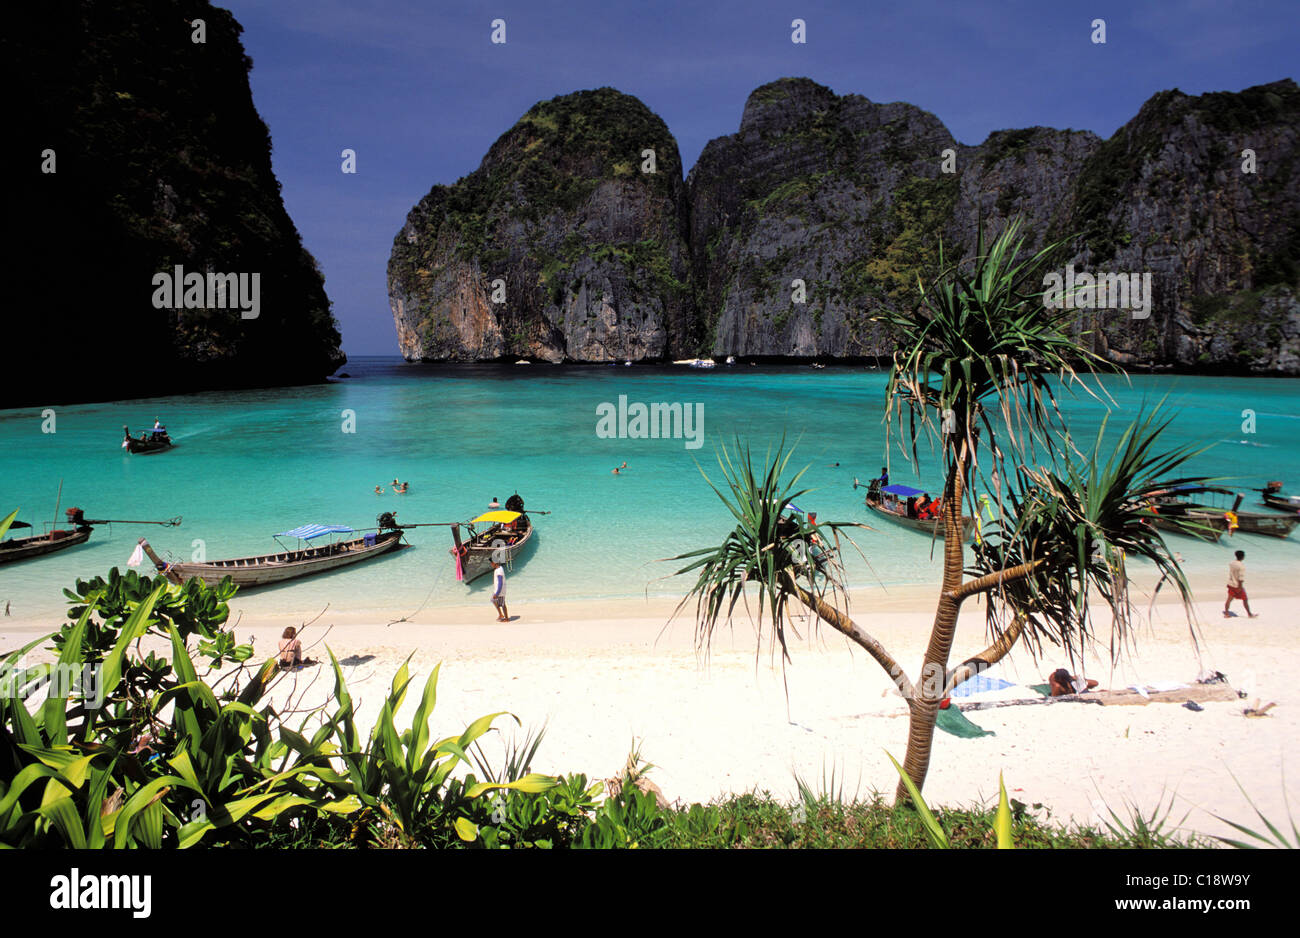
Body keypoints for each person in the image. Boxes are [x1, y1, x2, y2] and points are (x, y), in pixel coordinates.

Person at [1224, 550, 1257, 618]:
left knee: (1229, 599)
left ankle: (1226, 614)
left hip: (1230, 584)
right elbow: (1240, 579)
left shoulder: (1231, 563)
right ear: (1242, 557)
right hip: (1237, 585)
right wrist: (1240, 587)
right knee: (1245, 600)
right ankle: (1249, 614)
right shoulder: (1241, 566)